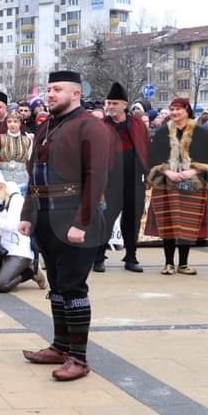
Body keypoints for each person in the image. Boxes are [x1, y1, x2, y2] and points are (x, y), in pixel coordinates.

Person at [18, 70, 109, 382]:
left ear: (76, 93)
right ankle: (60, 346)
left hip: (75, 218)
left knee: (72, 287)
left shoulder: (90, 126)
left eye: (57, 89)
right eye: (49, 89)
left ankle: (79, 358)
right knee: (56, 286)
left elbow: (96, 176)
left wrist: (81, 222)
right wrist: (29, 214)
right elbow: (34, 177)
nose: (51, 94)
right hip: (46, 216)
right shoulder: (45, 127)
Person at [145, 97, 208, 275]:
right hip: (165, 184)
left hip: (192, 184)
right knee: (167, 225)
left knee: (187, 225)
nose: (175, 113)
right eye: (172, 109)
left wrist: (192, 172)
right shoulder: (162, 133)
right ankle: (168, 263)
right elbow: (153, 158)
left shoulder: (200, 133)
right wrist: (168, 171)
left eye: (178, 109)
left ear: (187, 110)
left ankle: (183, 264)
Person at [95, 82, 151, 273]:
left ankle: (131, 257)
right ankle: (99, 257)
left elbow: (145, 148)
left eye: (114, 103)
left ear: (124, 105)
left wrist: (148, 174)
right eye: (108, 103)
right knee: (106, 219)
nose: (110, 107)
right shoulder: (101, 125)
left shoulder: (137, 124)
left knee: (133, 219)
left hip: (134, 178)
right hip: (111, 179)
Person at [0, 167, 45, 292]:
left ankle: (30, 272)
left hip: (18, 250)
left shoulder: (16, 199)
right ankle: (12, 270)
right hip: (2, 249)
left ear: (2, 184)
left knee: (1, 286)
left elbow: (12, 225)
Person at [0, 109, 33, 191]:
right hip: (3, 178)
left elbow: (31, 162)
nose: (12, 124)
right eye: (9, 121)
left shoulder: (27, 140)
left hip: (23, 179)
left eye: (15, 121)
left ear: (20, 123)